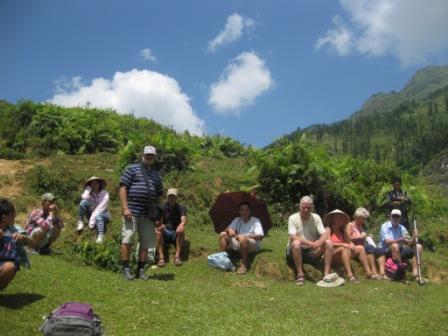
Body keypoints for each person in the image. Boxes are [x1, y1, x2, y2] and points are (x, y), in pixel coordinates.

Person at [119, 145, 163, 280]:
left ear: (154, 157)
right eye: (147, 154)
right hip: (132, 211)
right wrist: (125, 208)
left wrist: (159, 214)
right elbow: (122, 188)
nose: (149, 157)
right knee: (128, 239)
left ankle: (140, 270)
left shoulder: (157, 175)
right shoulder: (131, 169)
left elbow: (160, 196)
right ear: (142, 155)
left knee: (145, 243)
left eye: (151, 155)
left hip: (148, 215)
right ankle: (126, 269)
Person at [285, 196, 333, 285]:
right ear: (300, 207)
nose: (306, 210)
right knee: (296, 243)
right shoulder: (293, 218)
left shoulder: (316, 217)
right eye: (303, 208)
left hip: (311, 251)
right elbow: (292, 236)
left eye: (308, 208)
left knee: (329, 243)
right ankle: (300, 274)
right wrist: (308, 243)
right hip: (295, 250)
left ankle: (326, 274)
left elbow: (324, 234)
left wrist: (319, 242)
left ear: (312, 208)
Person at [219, 201, 264, 275]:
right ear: (239, 211)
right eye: (242, 210)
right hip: (240, 242)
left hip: (253, 245)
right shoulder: (237, 219)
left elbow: (259, 236)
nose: (244, 212)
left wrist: (244, 236)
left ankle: (244, 265)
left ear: (250, 211)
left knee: (243, 238)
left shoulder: (255, 221)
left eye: (246, 210)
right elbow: (228, 229)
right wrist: (229, 230)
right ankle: (221, 259)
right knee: (223, 234)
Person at [379, 209, 423, 282]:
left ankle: (415, 274)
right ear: (390, 216)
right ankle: (401, 272)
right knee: (395, 245)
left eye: (397, 216)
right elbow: (388, 242)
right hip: (386, 250)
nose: (395, 218)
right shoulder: (385, 226)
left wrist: (414, 237)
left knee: (418, 246)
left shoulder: (402, 228)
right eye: (394, 216)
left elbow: (409, 243)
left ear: (400, 218)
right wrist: (401, 239)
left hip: (400, 249)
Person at [0, 198, 36, 290]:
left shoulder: (15, 230)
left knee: (10, 267)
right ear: (4, 218)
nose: (15, 216)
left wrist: (24, 238)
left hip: (5, 265)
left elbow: (33, 245)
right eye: (12, 215)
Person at [345, 208, 384, 280]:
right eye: (362, 218)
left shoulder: (360, 226)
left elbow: (364, 236)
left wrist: (368, 236)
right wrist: (359, 236)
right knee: (369, 247)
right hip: (355, 247)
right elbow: (347, 238)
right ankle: (373, 272)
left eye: (364, 218)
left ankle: (382, 273)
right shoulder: (350, 225)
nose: (363, 220)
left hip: (363, 246)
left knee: (381, 250)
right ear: (357, 217)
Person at [324, 209, 358, 283]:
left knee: (360, 248)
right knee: (343, 249)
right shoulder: (328, 229)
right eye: (337, 217)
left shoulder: (343, 231)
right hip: (331, 255)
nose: (340, 219)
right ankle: (350, 275)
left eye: (341, 218)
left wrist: (352, 245)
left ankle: (370, 273)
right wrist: (341, 244)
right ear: (333, 219)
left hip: (343, 253)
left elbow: (348, 242)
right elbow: (328, 243)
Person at [156, 188, 187, 267]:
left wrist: (182, 224)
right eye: (170, 196)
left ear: (176, 197)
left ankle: (177, 257)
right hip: (166, 231)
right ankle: (161, 258)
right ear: (167, 197)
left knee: (182, 230)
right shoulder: (163, 207)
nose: (171, 199)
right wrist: (161, 225)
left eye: (173, 197)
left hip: (176, 232)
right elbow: (160, 221)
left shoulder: (181, 207)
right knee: (159, 231)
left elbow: (183, 218)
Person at [76, 176, 111, 244]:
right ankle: (80, 222)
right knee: (83, 202)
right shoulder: (90, 194)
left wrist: (93, 218)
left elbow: (101, 207)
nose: (94, 185)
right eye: (91, 183)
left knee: (99, 216)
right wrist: (87, 190)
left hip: (103, 214)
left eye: (96, 183)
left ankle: (100, 236)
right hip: (92, 214)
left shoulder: (105, 194)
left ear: (99, 184)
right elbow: (84, 198)